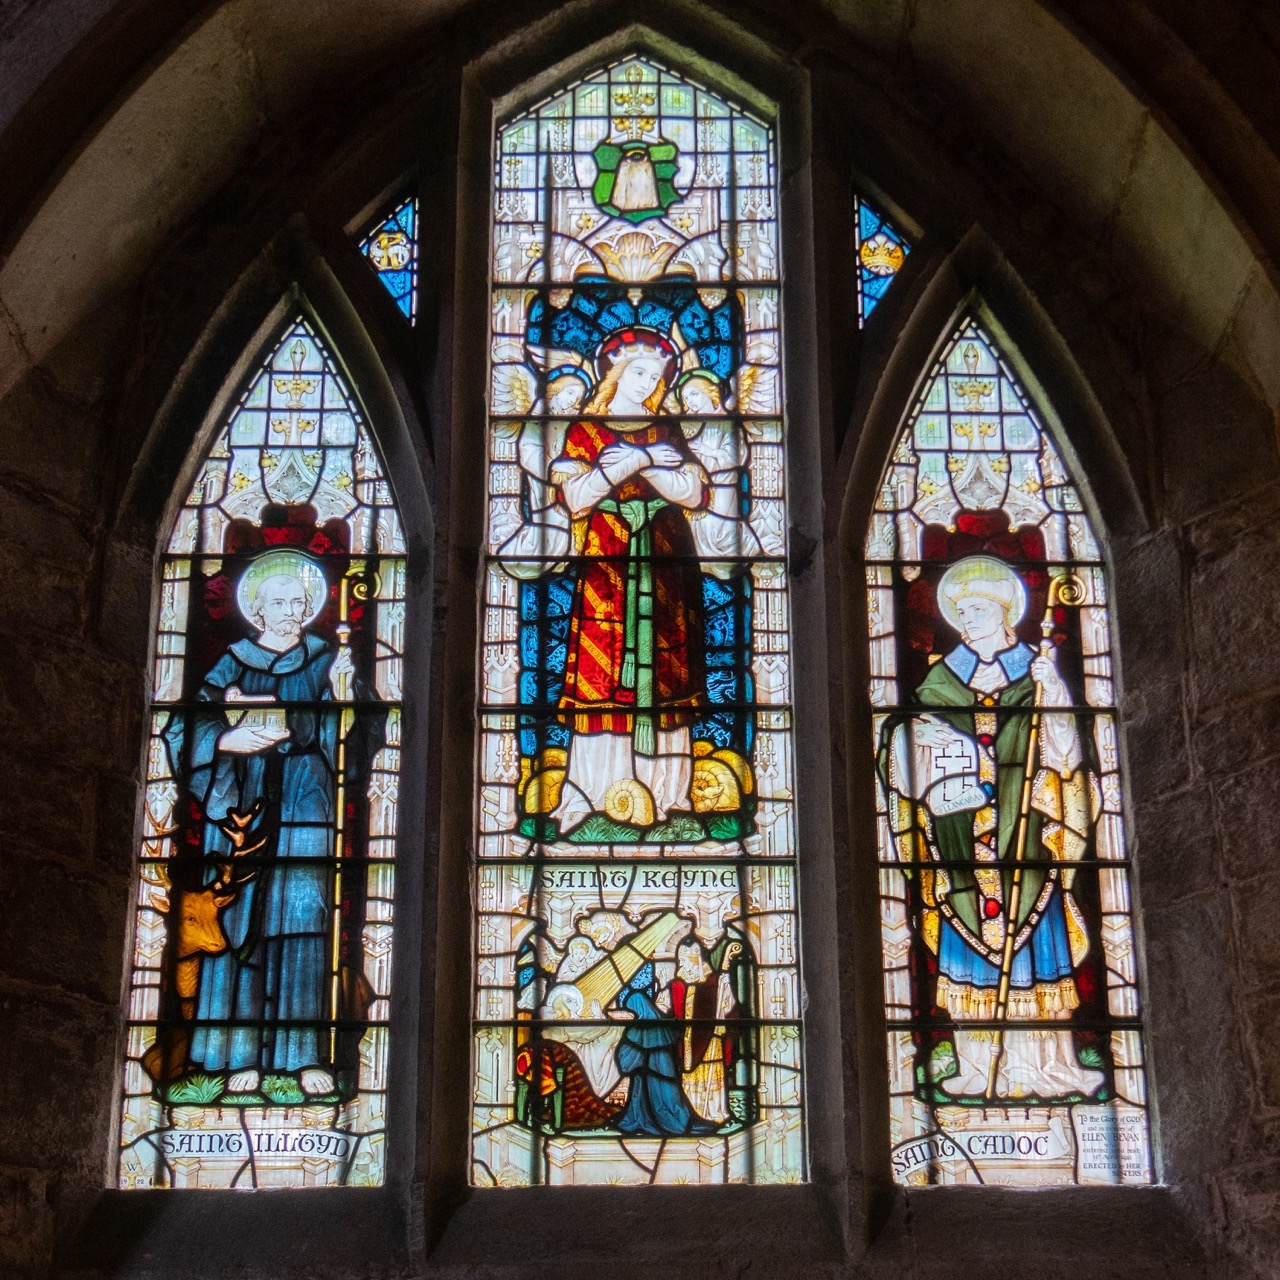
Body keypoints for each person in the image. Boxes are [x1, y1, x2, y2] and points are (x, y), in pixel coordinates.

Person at [879, 554, 1105, 1102]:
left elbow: (1067, 753)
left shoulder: (1036, 671)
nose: (968, 618)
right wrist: (930, 752)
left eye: (978, 608)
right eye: (961, 611)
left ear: (1005, 610)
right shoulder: (940, 680)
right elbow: (903, 749)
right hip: (956, 837)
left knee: (1034, 938)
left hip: (1026, 838)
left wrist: (1052, 696)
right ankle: (976, 1068)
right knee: (966, 934)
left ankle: (1050, 1065)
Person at [168, 549, 371, 1098]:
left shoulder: (327, 659)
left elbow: (355, 743)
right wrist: (228, 739)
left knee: (302, 923)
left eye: (298, 602)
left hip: (305, 801)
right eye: (278, 602)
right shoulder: (231, 662)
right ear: (256, 610)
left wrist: (345, 698)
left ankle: (302, 1054)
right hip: (241, 805)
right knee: (236, 927)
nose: (289, 610)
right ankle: (235, 1056)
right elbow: (183, 729)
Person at [548, 328, 709, 832]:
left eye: (657, 376)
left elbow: (692, 492)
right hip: (607, 563)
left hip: (665, 559)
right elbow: (576, 499)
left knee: (667, 673)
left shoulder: (665, 429)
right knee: (602, 670)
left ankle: (668, 798)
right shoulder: (586, 432)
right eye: (638, 372)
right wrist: (637, 464)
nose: (648, 383)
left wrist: (638, 461)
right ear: (614, 374)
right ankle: (591, 796)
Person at [613, 963, 717, 1137]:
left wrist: (627, 1059)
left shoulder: (636, 1030)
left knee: (643, 1104)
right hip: (666, 1079)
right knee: (667, 1102)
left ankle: (646, 1121)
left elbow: (626, 1060)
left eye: (632, 1009)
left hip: (646, 1078)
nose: (632, 1013)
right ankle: (670, 1119)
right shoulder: (663, 1028)